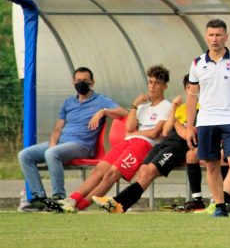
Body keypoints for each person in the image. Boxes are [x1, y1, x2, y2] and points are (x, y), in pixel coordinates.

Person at [59, 65, 171, 212]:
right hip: (128, 142)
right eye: (150, 82)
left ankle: (80, 206)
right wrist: (135, 104)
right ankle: (72, 200)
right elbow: (130, 127)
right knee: (99, 170)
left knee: (111, 174)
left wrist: (134, 135)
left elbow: (155, 133)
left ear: (164, 86)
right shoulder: (143, 107)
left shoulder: (167, 106)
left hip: (144, 146)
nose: (152, 86)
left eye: (157, 83)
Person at [18, 67, 128, 212]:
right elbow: (58, 128)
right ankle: (39, 198)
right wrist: (52, 143)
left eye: (85, 81)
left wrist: (103, 111)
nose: (81, 84)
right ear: (73, 82)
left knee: (52, 154)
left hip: (82, 145)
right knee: (25, 155)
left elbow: (124, 112)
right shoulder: (68, 102)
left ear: (92, 83)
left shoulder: (101, 100)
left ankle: (59, 199)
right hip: (61, 142)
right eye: (78, 81)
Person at [92, 74, 203, 213]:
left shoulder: (204, 109)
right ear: (187, 88)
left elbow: (188, 135)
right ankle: (120, 205)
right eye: (190, 87)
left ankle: (118, 201)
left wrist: (177, 123)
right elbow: (166, 130)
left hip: (179, 147)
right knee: (144, 171)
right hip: (166, 142)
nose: (193, 90)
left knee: (149, 172)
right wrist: (174, 109)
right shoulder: (181, 108)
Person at [185, 19, 230, 218]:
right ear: (206, 36)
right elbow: (191, 97)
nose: (214, 39)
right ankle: (219, 206)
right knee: (211, 164)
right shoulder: (197, 63)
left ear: (226, 36)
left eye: (218, 35)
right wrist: (190, 126)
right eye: (211, 35)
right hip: (206, 121)